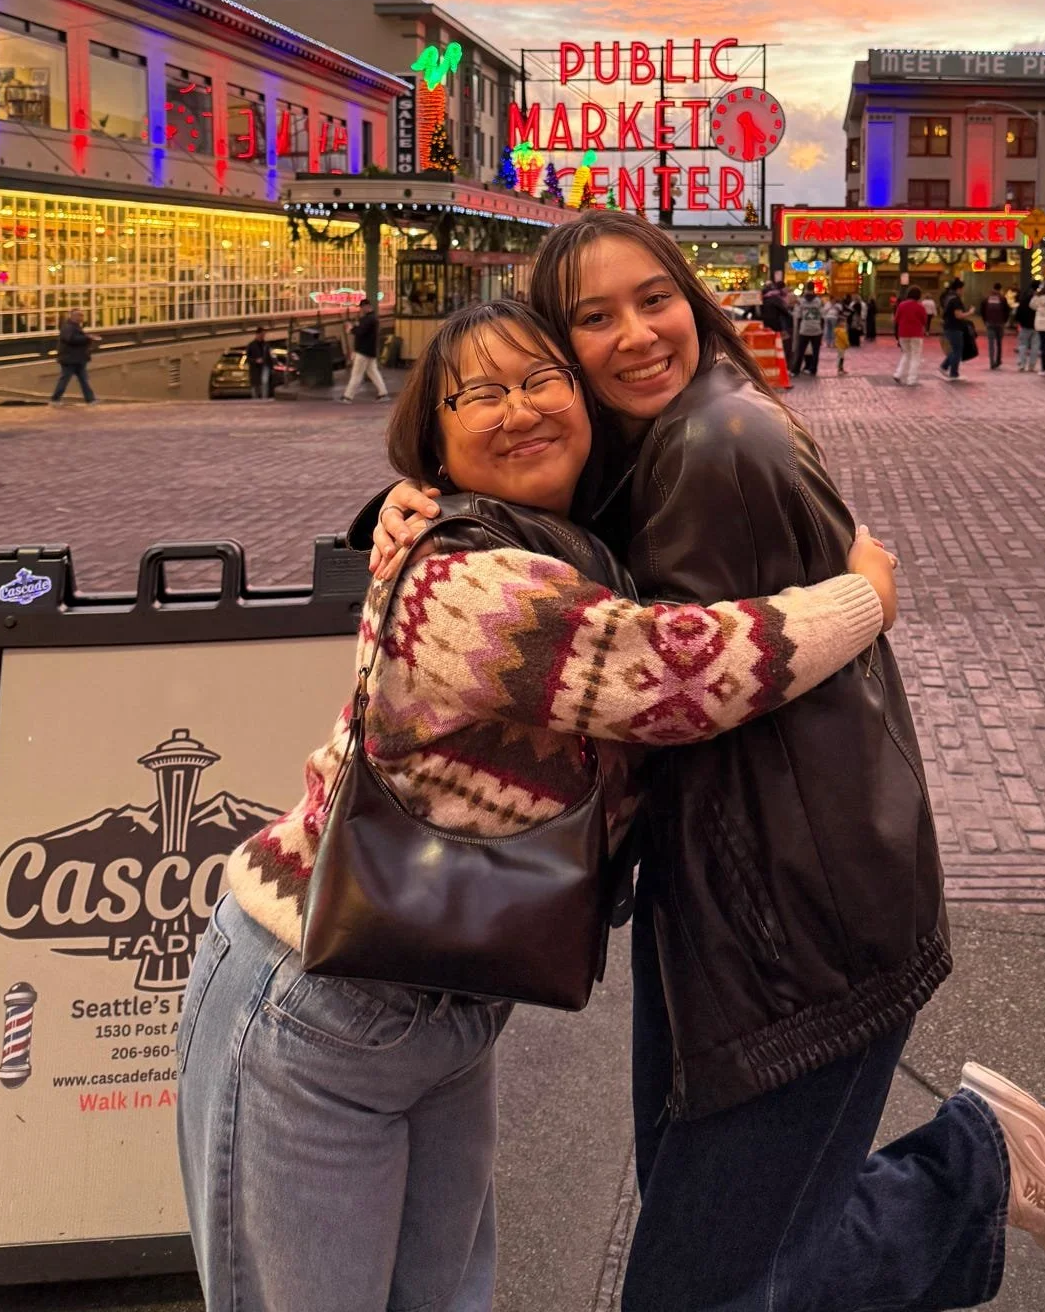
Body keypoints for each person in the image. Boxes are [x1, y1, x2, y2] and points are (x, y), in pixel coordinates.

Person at [371, 227, 1045, 1309]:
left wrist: (863, 596)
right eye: (593, 317)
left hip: (793, 920)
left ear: (694, 299)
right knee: (727, 1254)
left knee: (705, 1282)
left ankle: (968, 1171)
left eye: (654, 298)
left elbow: (670, 678)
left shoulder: (713, 443)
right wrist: (418, 506)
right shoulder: (655, 439)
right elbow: (570, 564)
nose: (635, 334)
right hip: (731, 903)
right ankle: (971, 1169)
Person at [182, 298, 896, 1312]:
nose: (517, 410)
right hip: (312, 998)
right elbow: (669, 674)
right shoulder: (468, 577)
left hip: (443, 1003)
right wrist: (862, 593)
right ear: (435, 438)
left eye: (540, 380)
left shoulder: (570, 544)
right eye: (479, 393)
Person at [343, 299, 390, 401]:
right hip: (370, 350)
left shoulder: (368, 319)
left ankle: (347, 396)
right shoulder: (372, 319)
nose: (360, 309)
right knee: (373, 372)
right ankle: (383, 393)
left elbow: (360, 332)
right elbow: (362, 330)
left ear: (366, 307)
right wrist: (354, 328)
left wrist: (351, 329)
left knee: (356, 374)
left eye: (361, 307)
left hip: (363, 351)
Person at [51, 308, 97, 403]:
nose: (82, 317)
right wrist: (87, 338)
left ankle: (90, 399)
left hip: (78, 359)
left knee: (84, 380)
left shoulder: (75, 327)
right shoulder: (68, 327)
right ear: (73, 316)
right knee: (65, 379)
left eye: (82, 315)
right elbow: (71, 339)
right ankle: (55, 399)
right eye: (80, 315)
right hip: (70, 359)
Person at [892, 283, 928, 386]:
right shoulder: (920, 307)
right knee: (915, 356)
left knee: (906, 354)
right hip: (916, 333)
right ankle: (911, 379)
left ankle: (898, 374)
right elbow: (924, 320)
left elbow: (897, 319)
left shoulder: (902, 305)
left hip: (903, 333)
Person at [939, 276, 968, 380]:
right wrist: (969, 313)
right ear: (958, 289)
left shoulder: (948, 298)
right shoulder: (956, 300)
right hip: (954, 327)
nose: (963, 291)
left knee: (955, 350)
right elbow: (958, 315)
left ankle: (945, 366)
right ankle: (953, 373)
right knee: (957, 351)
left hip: (949, 326)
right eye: (962, 289)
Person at [793, 284, 826, 376]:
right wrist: (821, 328)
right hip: (816, 329)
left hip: (804, 328)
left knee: (800, 351)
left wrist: (799, 328)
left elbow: (798, 316)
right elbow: (822, 315)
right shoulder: (819, 301)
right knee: (816, 352)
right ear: (813, 289)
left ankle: (796, 370)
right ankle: (813, 369)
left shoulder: (801, 301)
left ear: (806, 289)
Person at [980, 284, 1010, 370]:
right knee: (999, 343)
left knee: (991, 343)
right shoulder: (1003, 299)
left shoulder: (986, 299)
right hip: (1000, 324)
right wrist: (1004, 321)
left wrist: (985, 321)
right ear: (1000, 289)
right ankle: (998, 360)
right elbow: (1007, 311)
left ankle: (991, 362)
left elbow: (982, 310)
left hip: (989, 323)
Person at [244, 326, 275, 400]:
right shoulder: (251, 345)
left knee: (265, 381)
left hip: (265, 365)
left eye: (264, 335)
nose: (263, 336)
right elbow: (248, 358)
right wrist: (255, 360)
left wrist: (271, 367)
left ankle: (264, 398)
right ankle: (255, 398)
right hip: (255, 368)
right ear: (257, 334)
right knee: (255, 384)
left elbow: (270, 356)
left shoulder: (266, 345)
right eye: (262, 334)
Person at [1012, 283, 1037, 372]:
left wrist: (1019, 322)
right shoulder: (1039, 300)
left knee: (1023, 345)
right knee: (1035, 346)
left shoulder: (1024, 299)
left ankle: (1021, 364)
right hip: (1036, 326)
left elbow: (1019, 312)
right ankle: (1032, 365)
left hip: (1025, 325)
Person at [833, 307, 851, 374]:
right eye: (843, 322)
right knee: (841, 358)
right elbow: (844, 338)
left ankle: (841, 369)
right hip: (841, 346)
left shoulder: (839, 330)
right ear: (839, 323)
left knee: (841, 357)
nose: (844, 324)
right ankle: (840, 369)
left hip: (840, 346)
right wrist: (847, 343)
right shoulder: (841, 331)